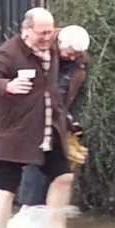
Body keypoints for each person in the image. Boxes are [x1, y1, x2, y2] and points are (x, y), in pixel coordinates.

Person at [0, 7, 77, 228]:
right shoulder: (8, 53)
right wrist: (7, 86)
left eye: (49, 33)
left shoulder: (52, 45)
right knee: (7, 187)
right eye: (41, 33)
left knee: (64, 177)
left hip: (46, 128)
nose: (46, 38)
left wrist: (76, 47)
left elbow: (70, 41)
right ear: (26, 31)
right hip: (14, 131)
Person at [18, 25, 91, 207]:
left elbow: (76, 95)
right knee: (34, 165)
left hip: (59, 121)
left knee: (59, 171)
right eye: (70, 52)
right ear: (59, 44)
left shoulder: (79, 63)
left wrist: (73, 121)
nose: (73, 57)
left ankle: (46, 211)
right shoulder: (41, 55)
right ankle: (29, 208)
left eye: (77, 54)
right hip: (36, 118)